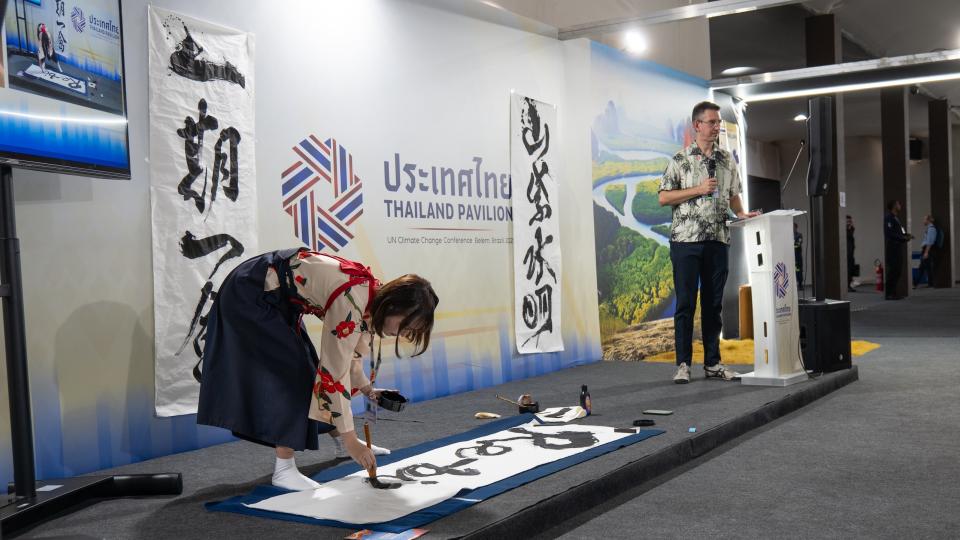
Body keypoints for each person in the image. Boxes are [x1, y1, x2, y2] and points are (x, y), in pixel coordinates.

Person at [197, 248, 438, 490]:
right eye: (407, 326)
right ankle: (284, 469)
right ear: (394, 306)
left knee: (310, 370)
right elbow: (335, 372)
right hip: (250, 292)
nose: (405, 334)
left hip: (274, 297)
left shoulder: (371, 298)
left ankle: (340, 444)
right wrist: (352, 439)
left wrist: (367, 389)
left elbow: (350, 356)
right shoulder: (352, 299)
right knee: (294, 377)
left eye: (412, 332)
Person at [658, 101, 760, 384]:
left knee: (713, 304)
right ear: (697, 126)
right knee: (686, 304)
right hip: (686, 242)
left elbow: (733, 194)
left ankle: (713, 363)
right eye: (712, 122)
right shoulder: (680, 160)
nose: (717, 127)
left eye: (718, 122)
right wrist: (698, 190)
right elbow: (664, 197)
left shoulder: (727, 159)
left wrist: (741, 213)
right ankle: (683, 364)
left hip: (718, 240)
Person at [883, 200, 913, 300]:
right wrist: (903, 238)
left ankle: (894, 293)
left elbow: (900, 231)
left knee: (897, 271)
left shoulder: (896, 218)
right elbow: (889, 233)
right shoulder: (889, 218)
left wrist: (906, 235)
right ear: (894, 206)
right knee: (893, 271)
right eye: (898, 204)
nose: (900, 205)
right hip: (892, 248)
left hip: (898, 247)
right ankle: (888, 294)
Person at [915, 214, 937, 288]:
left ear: (928, 220)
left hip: (927, 249)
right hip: (926, 249)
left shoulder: (931, 229)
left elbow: (929, 242)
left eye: (924, 219)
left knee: (924, 267)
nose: (923, 221)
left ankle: (916, 283)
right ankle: (929, 283)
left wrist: (926, 252)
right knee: (926, 267)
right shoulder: (929, 228)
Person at [846, 215, 858, 292]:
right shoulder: (844, 231)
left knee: (851, 270)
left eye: (850, 221)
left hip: (851, 254)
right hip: (846, 254)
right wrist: (849, 228)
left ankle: (849, 285)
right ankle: (847, 286)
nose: (849, 223)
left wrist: (851, 228)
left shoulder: (851, 229)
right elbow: (848, 236)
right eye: (848, 221)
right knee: (847, 270)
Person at [794, 222, 803, 293]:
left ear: (796, 227)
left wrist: (793, 245)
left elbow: (798, 244)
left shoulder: (799, 235)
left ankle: (800, 285)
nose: (793, 228)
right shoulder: (789, 235)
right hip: (791, 257)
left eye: (794, 227)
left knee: (799, 271)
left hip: (797, 256)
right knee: (793, 271)